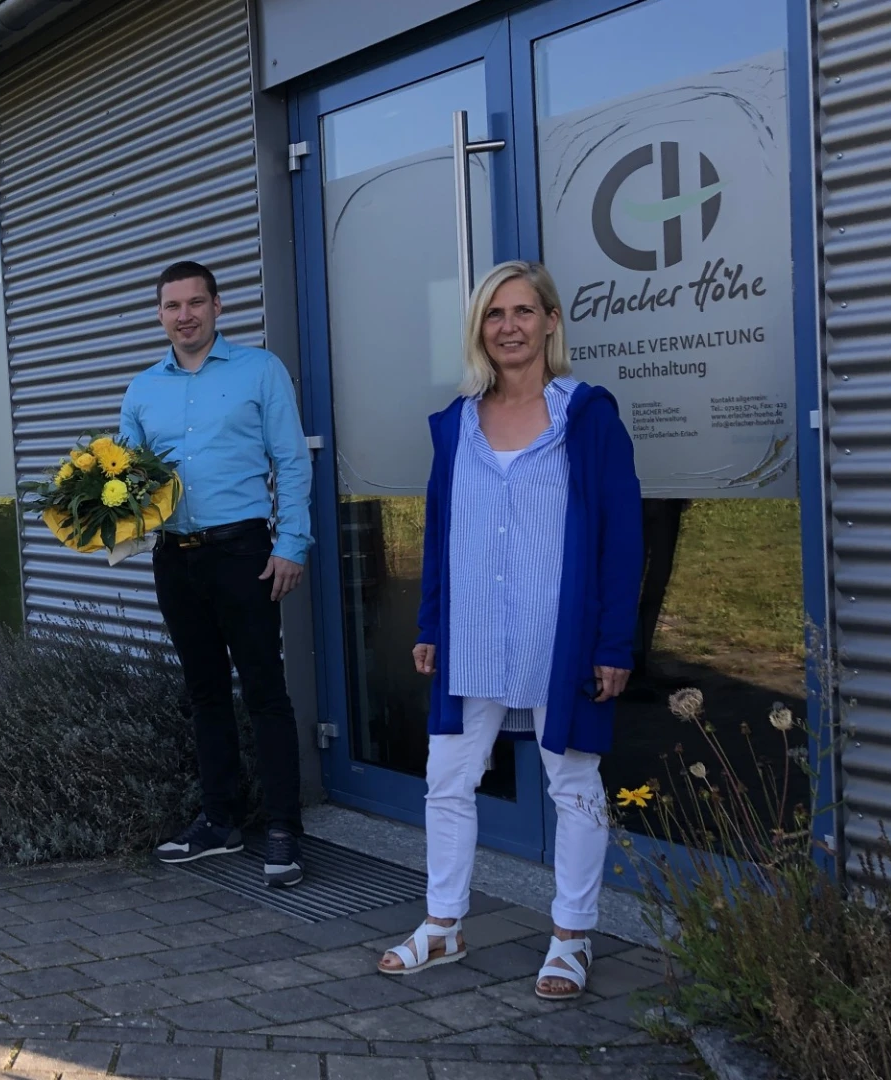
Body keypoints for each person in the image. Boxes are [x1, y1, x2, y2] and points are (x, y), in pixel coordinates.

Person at [377, 261, 642, 1000]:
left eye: (524, 312)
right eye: (495, 315)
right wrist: (431, 620)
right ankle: (443, 923)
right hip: (472, 630)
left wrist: (614, 641)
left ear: (551, 322)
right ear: (479, 330)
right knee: (448, 779)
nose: (510, 327)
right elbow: (442, 531)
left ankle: (571, 936)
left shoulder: (587, 418)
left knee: (573, 781)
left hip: (558, 634)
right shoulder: (456, 423)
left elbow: (623, 537)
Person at [120, 260, 314, 888]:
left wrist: (292, 543)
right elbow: (127, 476)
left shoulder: (260, 370)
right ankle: (220, 821)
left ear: (217, 306)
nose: (185, 316)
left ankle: (285, 828)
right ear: (159, 313)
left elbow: (291, 461)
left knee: (264, 689)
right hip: (174, 556)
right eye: (172, 306)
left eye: (196, 303)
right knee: (203, 692)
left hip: (245, 553)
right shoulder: (143, 387)